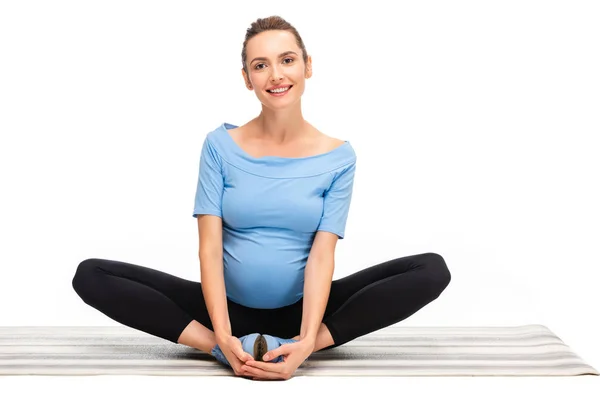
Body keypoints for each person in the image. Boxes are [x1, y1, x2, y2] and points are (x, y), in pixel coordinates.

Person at [71, 15, 451, 381]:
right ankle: (223, 350)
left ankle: (299, 347)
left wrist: (305, 340)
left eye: (287, 60)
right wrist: (221, 333)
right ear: (247, 78)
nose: (276, 75)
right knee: (91, 274)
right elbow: (209, 247)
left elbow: (322, 254)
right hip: (222, 310)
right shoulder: (220, 145)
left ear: (308, 66)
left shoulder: (339, 158)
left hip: (304, 311)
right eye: (260, 65)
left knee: (431, 270)